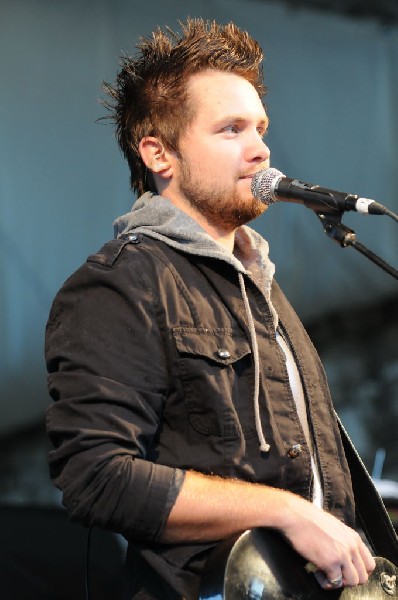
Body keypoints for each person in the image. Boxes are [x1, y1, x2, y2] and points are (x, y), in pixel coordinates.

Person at [45, 18, 375, 600]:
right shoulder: (121, 285)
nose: (261, 148)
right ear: (159, 153)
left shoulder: (260, 285)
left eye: (260, 127)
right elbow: (95, 477)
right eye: (231, 129)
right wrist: (286, 512)